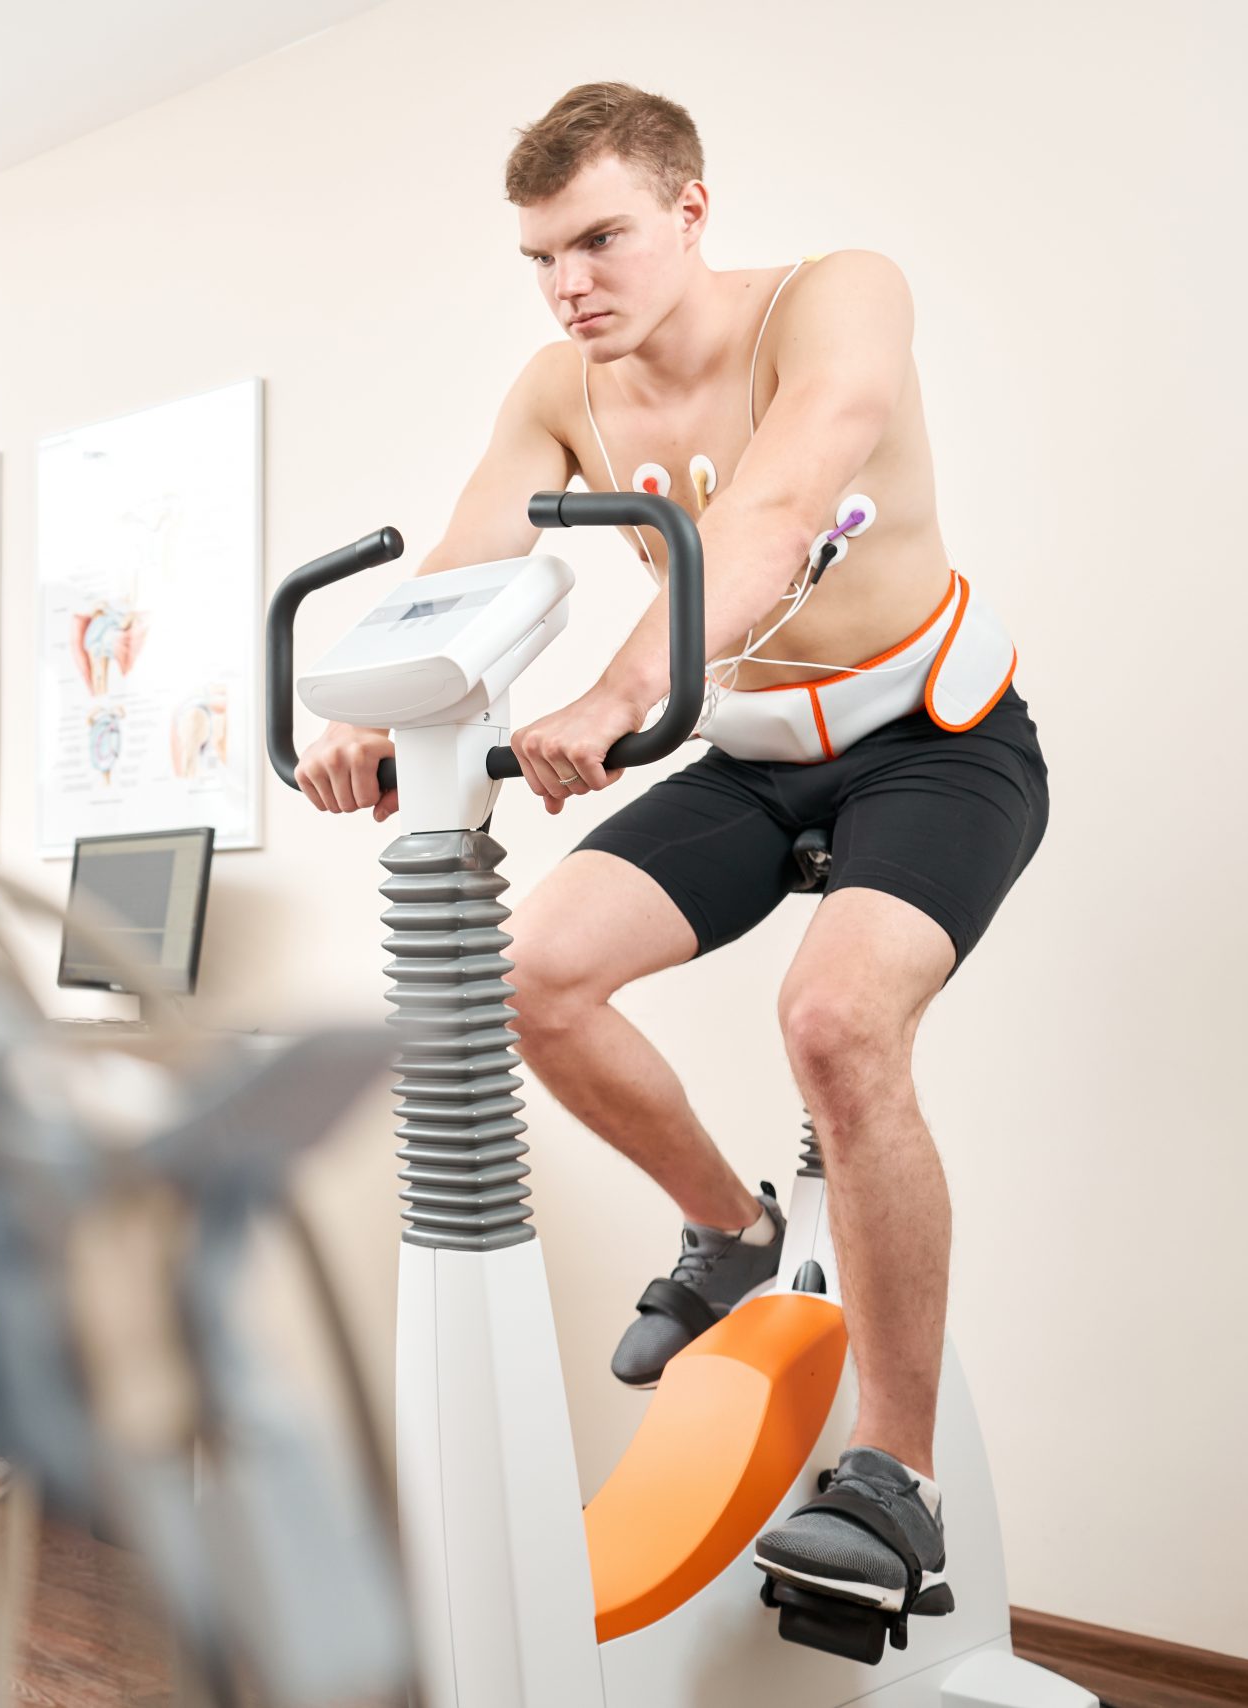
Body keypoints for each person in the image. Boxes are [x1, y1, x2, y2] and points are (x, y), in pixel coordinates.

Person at [291, 82, 1048, 1620]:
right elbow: (472, 551)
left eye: (600, 239)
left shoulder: (835, 301)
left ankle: (893, 1478)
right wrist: (372, 705)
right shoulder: (561, 381)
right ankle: (731, 1228)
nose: (570, 283)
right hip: (755, 757)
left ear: (691, 210)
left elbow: (774, 511)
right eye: (541, 257)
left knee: (835, 1022)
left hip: (937, 743)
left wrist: (626, 691)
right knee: (534, 975)